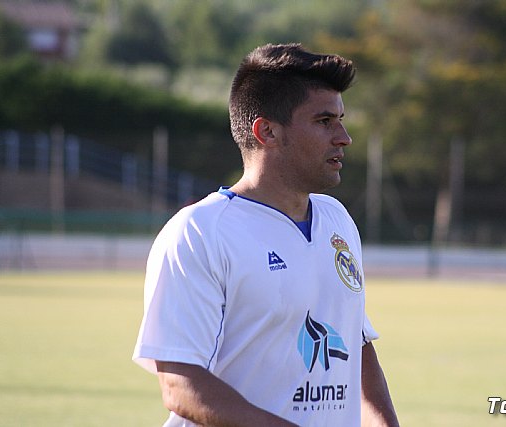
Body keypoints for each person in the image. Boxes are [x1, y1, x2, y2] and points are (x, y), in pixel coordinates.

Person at [133, 43, 400, 427]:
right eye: (324, 121)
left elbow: (355, 344)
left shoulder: (337, 220)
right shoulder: (199, 232)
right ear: (267, 131)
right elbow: (180, 385)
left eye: (340, 119)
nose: (344, 137)